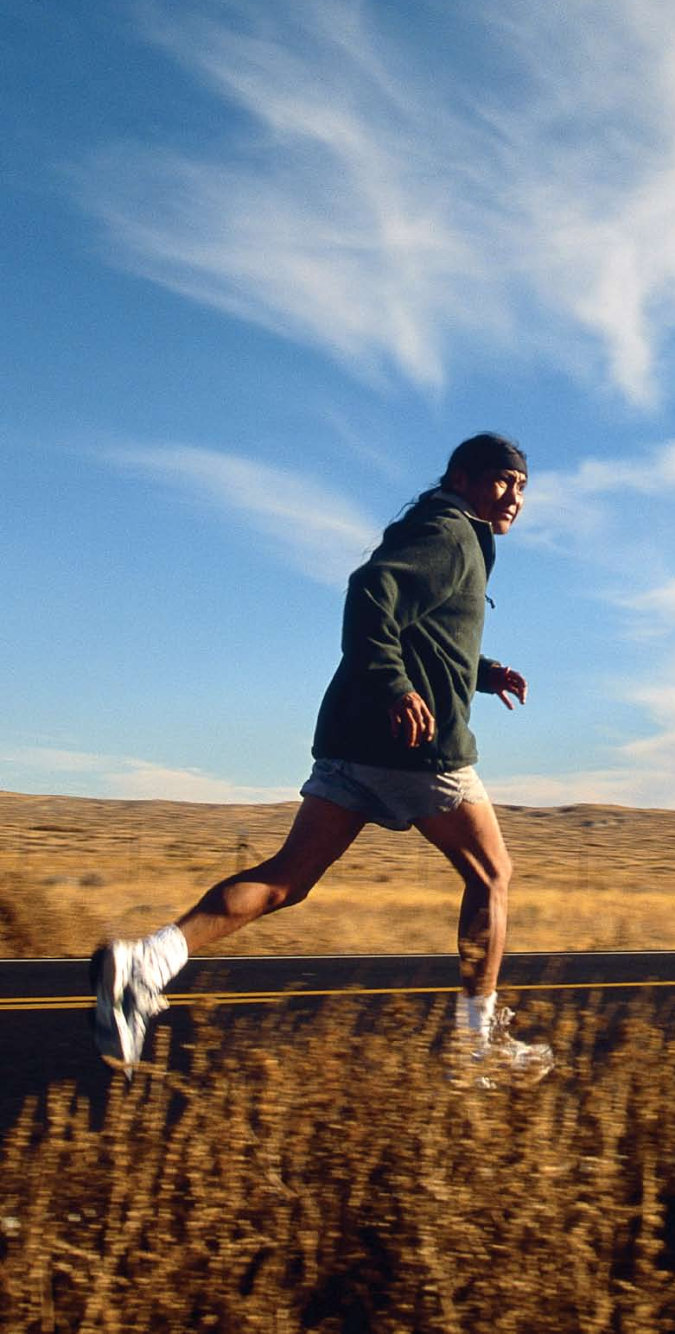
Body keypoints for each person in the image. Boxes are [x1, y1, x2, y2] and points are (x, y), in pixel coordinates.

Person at [91, 432, 553, 1086]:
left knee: (287, 878)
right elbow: (371, 594)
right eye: (503, 480)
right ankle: (477, 1042)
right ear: (462, 477)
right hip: (416, 742)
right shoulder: (449, 531)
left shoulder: (449, 533)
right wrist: (397, 687)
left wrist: (482, 672)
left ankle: (148, 962)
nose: (514, 496)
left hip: (352, 738)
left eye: (523, 486)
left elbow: (422, 632)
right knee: (492, 874)